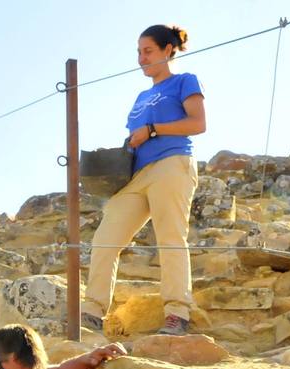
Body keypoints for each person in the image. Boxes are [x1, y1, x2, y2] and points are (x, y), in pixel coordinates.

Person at [82, 24, 206, 338]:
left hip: (172, 163)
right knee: (105, 239)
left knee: (170, 237)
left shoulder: (184, 81)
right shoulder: (141, 95)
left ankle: (177, 312)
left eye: (147, 51)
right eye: (138, 52)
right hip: (136, 174)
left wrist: (153, 130)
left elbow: (198, 123)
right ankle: (91, 313)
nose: (141, 58)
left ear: (168, 50)